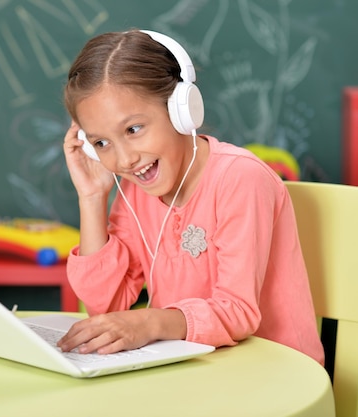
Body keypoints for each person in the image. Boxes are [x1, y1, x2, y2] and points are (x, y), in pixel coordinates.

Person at [58, 29, 325, 365]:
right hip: (195, 369)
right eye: (101, 143)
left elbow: (238, 310)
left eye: (133, 129)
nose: (124, 159)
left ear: (181, 109)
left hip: (276, 372)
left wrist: (148, 321)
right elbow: (107, 306)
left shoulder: (240, 179)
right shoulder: (135, 189)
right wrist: (92, 197)